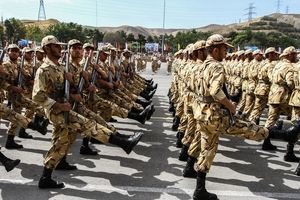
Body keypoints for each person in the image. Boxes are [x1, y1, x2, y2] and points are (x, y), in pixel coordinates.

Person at [33, 35, 143, 189]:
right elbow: (37, 96)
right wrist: (59, 104)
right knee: (88, 125)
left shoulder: (59, 67)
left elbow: (61, 89)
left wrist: (72, 84)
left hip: (67, 106)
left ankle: (47, 176)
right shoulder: (43, 70)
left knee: (61, 141)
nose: (59, 48)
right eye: (55, 46)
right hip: (56, 110)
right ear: (47, 48)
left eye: (59, 45)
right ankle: (123, 143)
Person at [192, 34, 268, 200]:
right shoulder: (217, 67)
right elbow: (215, 91)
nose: (226, 52)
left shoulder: (202, 66)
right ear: (216, 50)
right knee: (253, 130)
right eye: (225, 49)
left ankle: (199, 190)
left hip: (202, 114)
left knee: (207, 149)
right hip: (214, 115)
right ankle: (281, 134)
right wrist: (230, 106)